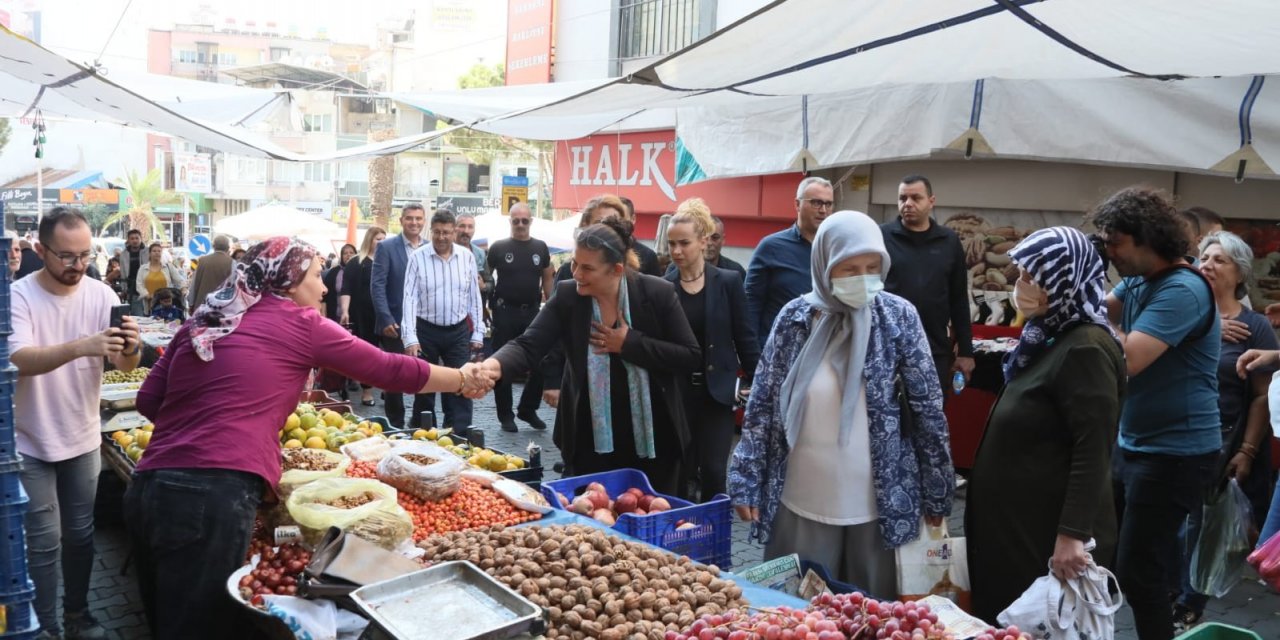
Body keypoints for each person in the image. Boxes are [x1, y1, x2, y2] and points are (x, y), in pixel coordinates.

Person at [124, 237, 492, 639]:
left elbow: (149, 401)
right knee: (201, 627)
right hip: (213, 494)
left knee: (165, 619)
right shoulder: (299, 323)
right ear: (287, 283)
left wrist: (205, 423)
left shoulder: (203, 320)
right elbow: (387, 369)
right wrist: (459, 379)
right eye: (316, 276)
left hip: (147, 486)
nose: (323, 288)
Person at [728, 210, 953, 597]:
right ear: (823, 265)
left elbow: (928, 410)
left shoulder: (899, 318)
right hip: (802, 498)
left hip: (877, 505)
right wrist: (746, 480)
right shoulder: (794, 319)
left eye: (872, 267)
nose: (863, 279)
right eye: (849, 268)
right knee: (797, 612)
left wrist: (937, 489)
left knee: (871, 611)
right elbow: (763, 406)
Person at [966, 227, 1125, 623]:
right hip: (1016, 526)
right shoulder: (1049, 335)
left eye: (1030, 278)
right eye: (1020, 274)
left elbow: (1094, 448)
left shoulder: (1085, 346)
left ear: (1063, 281)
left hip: (1043, 534)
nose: (1021, 286)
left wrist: (1072, 534)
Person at [481, 218, 701, 493]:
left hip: (653, 440)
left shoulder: (656, 293)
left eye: (587, 268)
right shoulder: (568, 296)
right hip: (589, 438)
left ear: (617, 270)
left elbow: (690, 356)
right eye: (574, 263)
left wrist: (630, 343)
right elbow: (528, 345)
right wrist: (493, 366)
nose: (576, 274)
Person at [1095, 187, 1221, 640]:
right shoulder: (1139, 281)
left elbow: (1128, 357)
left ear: (1146, 238)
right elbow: (1098, 308)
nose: (1109, 253)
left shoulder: (1183, 288)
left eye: (1115, 243)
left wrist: (1096, 318)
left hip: (1177, 452)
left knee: (1138, 573)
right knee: (1117, 560)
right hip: (1133, 444)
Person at [12, 207, 142, 639]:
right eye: (66, 256)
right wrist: (84, 345)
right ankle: (47, 625)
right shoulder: (19, 296)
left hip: (83, 436)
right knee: (45, 544)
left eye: (85, 255)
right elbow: (18, 361)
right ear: (40, 249)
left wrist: (131, 347)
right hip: (29, 441)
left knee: (82, 536)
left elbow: (124, 363)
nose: (78, 266)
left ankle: (78, 614)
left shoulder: (102, 294)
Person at [1170, 231, 1278, 630]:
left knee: (1198, 525)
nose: (1208, 265)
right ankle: (1170, 593)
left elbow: (1260, 397)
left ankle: (1188, 601)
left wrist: (1247, 452)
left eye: (1220, 260)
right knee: (1172, 522)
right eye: (1205, 258)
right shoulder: (1184, 316)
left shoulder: (1255, 328)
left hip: (1220, 440)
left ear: (1240, 274)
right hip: (1172, 435)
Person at [663, 198, 758, 500]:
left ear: (703, 241)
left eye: (684, 243)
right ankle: (680, 534)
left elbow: (745, 337)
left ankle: (716, 535)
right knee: (680, 468)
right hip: (676, 393)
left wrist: (760, 383)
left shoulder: (728, 281)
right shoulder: (663, 286)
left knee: (715, 470)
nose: (676, 251)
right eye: (671, 244)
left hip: (716, 393)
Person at [880, 175, 975, 393]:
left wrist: (966, 352)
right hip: (889, 349)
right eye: (902, 198)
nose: (908, 204)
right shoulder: (882, 236)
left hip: (935, 350)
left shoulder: (949, 241)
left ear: (931, 201)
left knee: (932, 418)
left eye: (916, 198)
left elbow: (959, 299)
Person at [401, 209, 485, 434]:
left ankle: (459, 433)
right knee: (425, 385)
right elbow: (409, 298)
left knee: (461, 382)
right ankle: (424, 434)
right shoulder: (417, 257)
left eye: (446, 232)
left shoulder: (466, 257)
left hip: (458, 330)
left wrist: (478, 331)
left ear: (454, 231)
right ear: (431, 230)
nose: (441, 237)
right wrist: (410, 337)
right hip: (425, 329)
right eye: (437, 232)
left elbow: (473, 297)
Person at [487, 202, 554, 433]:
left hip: (533, 313)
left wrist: (553, 304)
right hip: (505, 313)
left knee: (541, 361)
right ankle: (506, 415)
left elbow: (547, 277)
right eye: (516, 221)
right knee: (502, 364)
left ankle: (528, 409)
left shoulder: (540, 247)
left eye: (525, 220)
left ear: (531, 221)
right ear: (510, 222)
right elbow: (486, 276)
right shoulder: (498, 247)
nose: (521, 225)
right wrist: (488, 301)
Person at [744, 176, 832, 348]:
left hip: (822, 351)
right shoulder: (771, 247)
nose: (823, 210)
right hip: (777, 350)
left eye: (828, 204)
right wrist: (753, 356)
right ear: (797, 205)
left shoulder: (836, 249)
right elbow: (750, 304)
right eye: (816, 203)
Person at [371, 203, 428, 429]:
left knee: (424, 374)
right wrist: (385, 318)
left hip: (424, 324)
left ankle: (419, 422)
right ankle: (395, 425)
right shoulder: (386, 247)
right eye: (409, 218)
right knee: (395, 377)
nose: (414, 223)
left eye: (418, 219)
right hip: (394, 323)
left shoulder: (430, 247)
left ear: (424, 221)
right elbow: (377, 286)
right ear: (401, 220)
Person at [555, 195, 660, 282]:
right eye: (599, 224)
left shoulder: (645, 278)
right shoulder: (567, 275)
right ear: (585, 225)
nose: (607, 230)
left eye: (614, 224)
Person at [340, 226, 387, 406]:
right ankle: (367, 391)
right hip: (363, 314)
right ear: (369, 240)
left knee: (390, 353)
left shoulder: (388, 260)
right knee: (368, 353)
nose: (381, 242)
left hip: (386, 314)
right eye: (378, 239)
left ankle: (387, 387)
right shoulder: (356, 262)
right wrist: (345, 310)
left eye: (384, 238)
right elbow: (346, 289)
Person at [617, 195, 664, 276]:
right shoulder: (599, 252)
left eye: (622, 219)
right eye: (614, 218)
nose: (617, 223)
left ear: (633, 219)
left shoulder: (648, 255)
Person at [136, 242, 187, 314]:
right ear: (149, 253)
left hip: (166, 303)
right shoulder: (143, 268)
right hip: (149, 303)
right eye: (154, 251)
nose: (157, 253)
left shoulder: (168, 267)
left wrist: (183, 288)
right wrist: (147, 295)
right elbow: (139, 285)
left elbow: (179, 280)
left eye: (159, 251)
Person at [455, 211, 493, 303]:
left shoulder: (480, 253)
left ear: (474, 230)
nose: (466, 231)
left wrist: (483, 286)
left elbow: (490, 282)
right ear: (454, 228)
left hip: (473, 308)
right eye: (462, 226)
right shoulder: (446, 250)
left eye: (470, 227)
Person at [187, 234, 234, 309]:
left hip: (202, 306)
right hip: (223, 307)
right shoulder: (232, 262)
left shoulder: (202, 261)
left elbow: (195, 283)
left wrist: (191, 303)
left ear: (213, 246)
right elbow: (233, 285)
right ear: (228, 248)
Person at [322, 243, 357, 323]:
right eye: (345, 253)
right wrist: (323, 314)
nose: (348, 255)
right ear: (341, 256)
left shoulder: (361, 271)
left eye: (351, 253)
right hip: (335, 317)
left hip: (356, 317)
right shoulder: (334, 272)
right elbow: (325, 296)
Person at [117, 229, 147, 315]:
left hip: (146, 285)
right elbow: (123, 272)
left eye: (137, 238)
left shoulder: (148, 251)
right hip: (132, 287)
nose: (135, 241)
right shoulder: (123, 254)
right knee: (137, 313)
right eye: (132, 238)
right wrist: (124, 289)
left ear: (141, 239)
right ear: (128, 240)